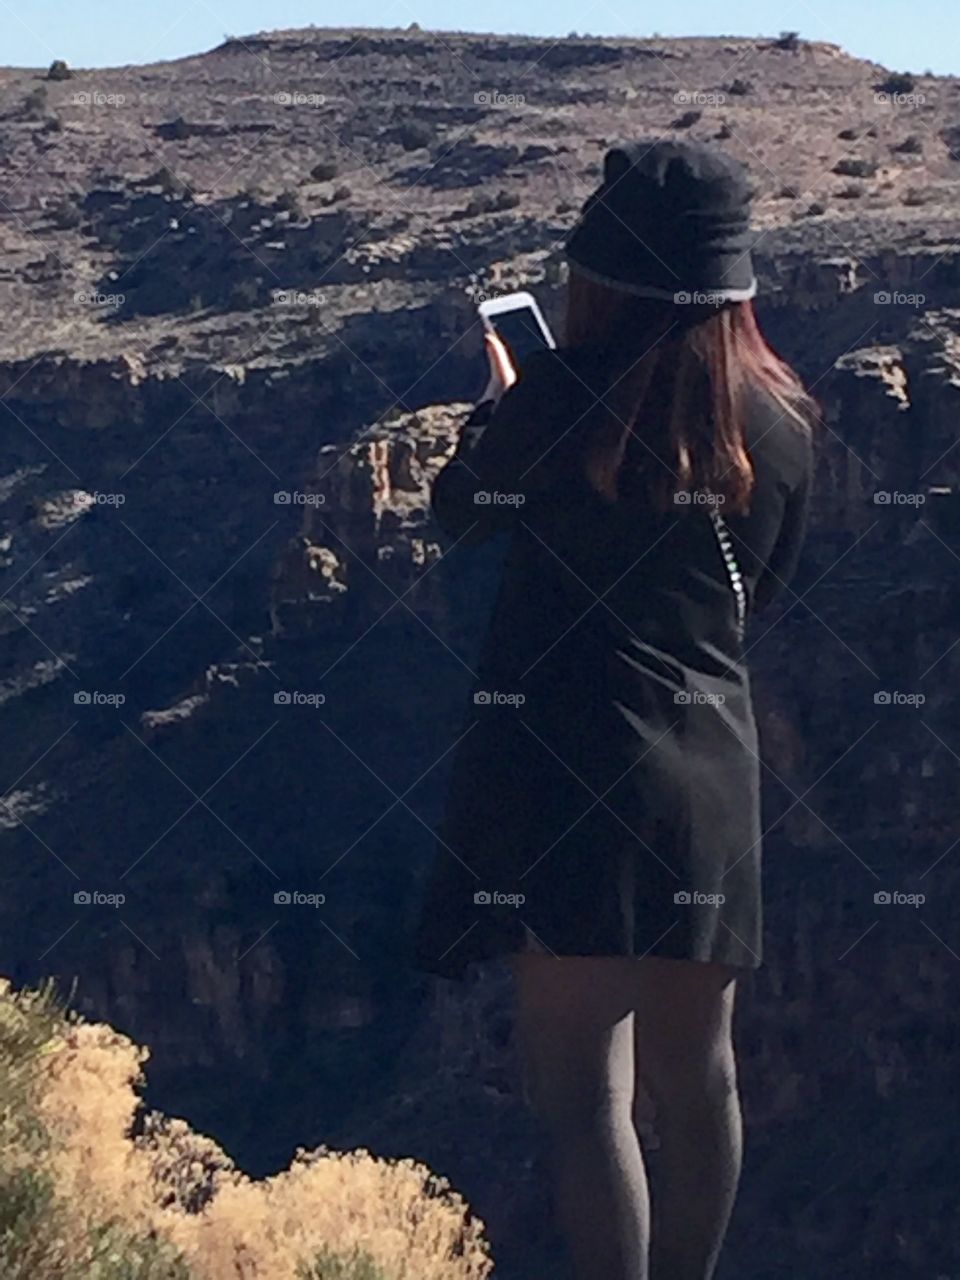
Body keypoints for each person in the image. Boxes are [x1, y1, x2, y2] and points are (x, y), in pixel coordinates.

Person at [412, 138, 818, 1280]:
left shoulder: (565, 400)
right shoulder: (780, 415)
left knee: (586, 1086)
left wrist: (506, 410)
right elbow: (766, 589)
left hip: (570, 763)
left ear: (608, 275)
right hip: (709, 763)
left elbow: (462, 513)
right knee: (704, 1075)